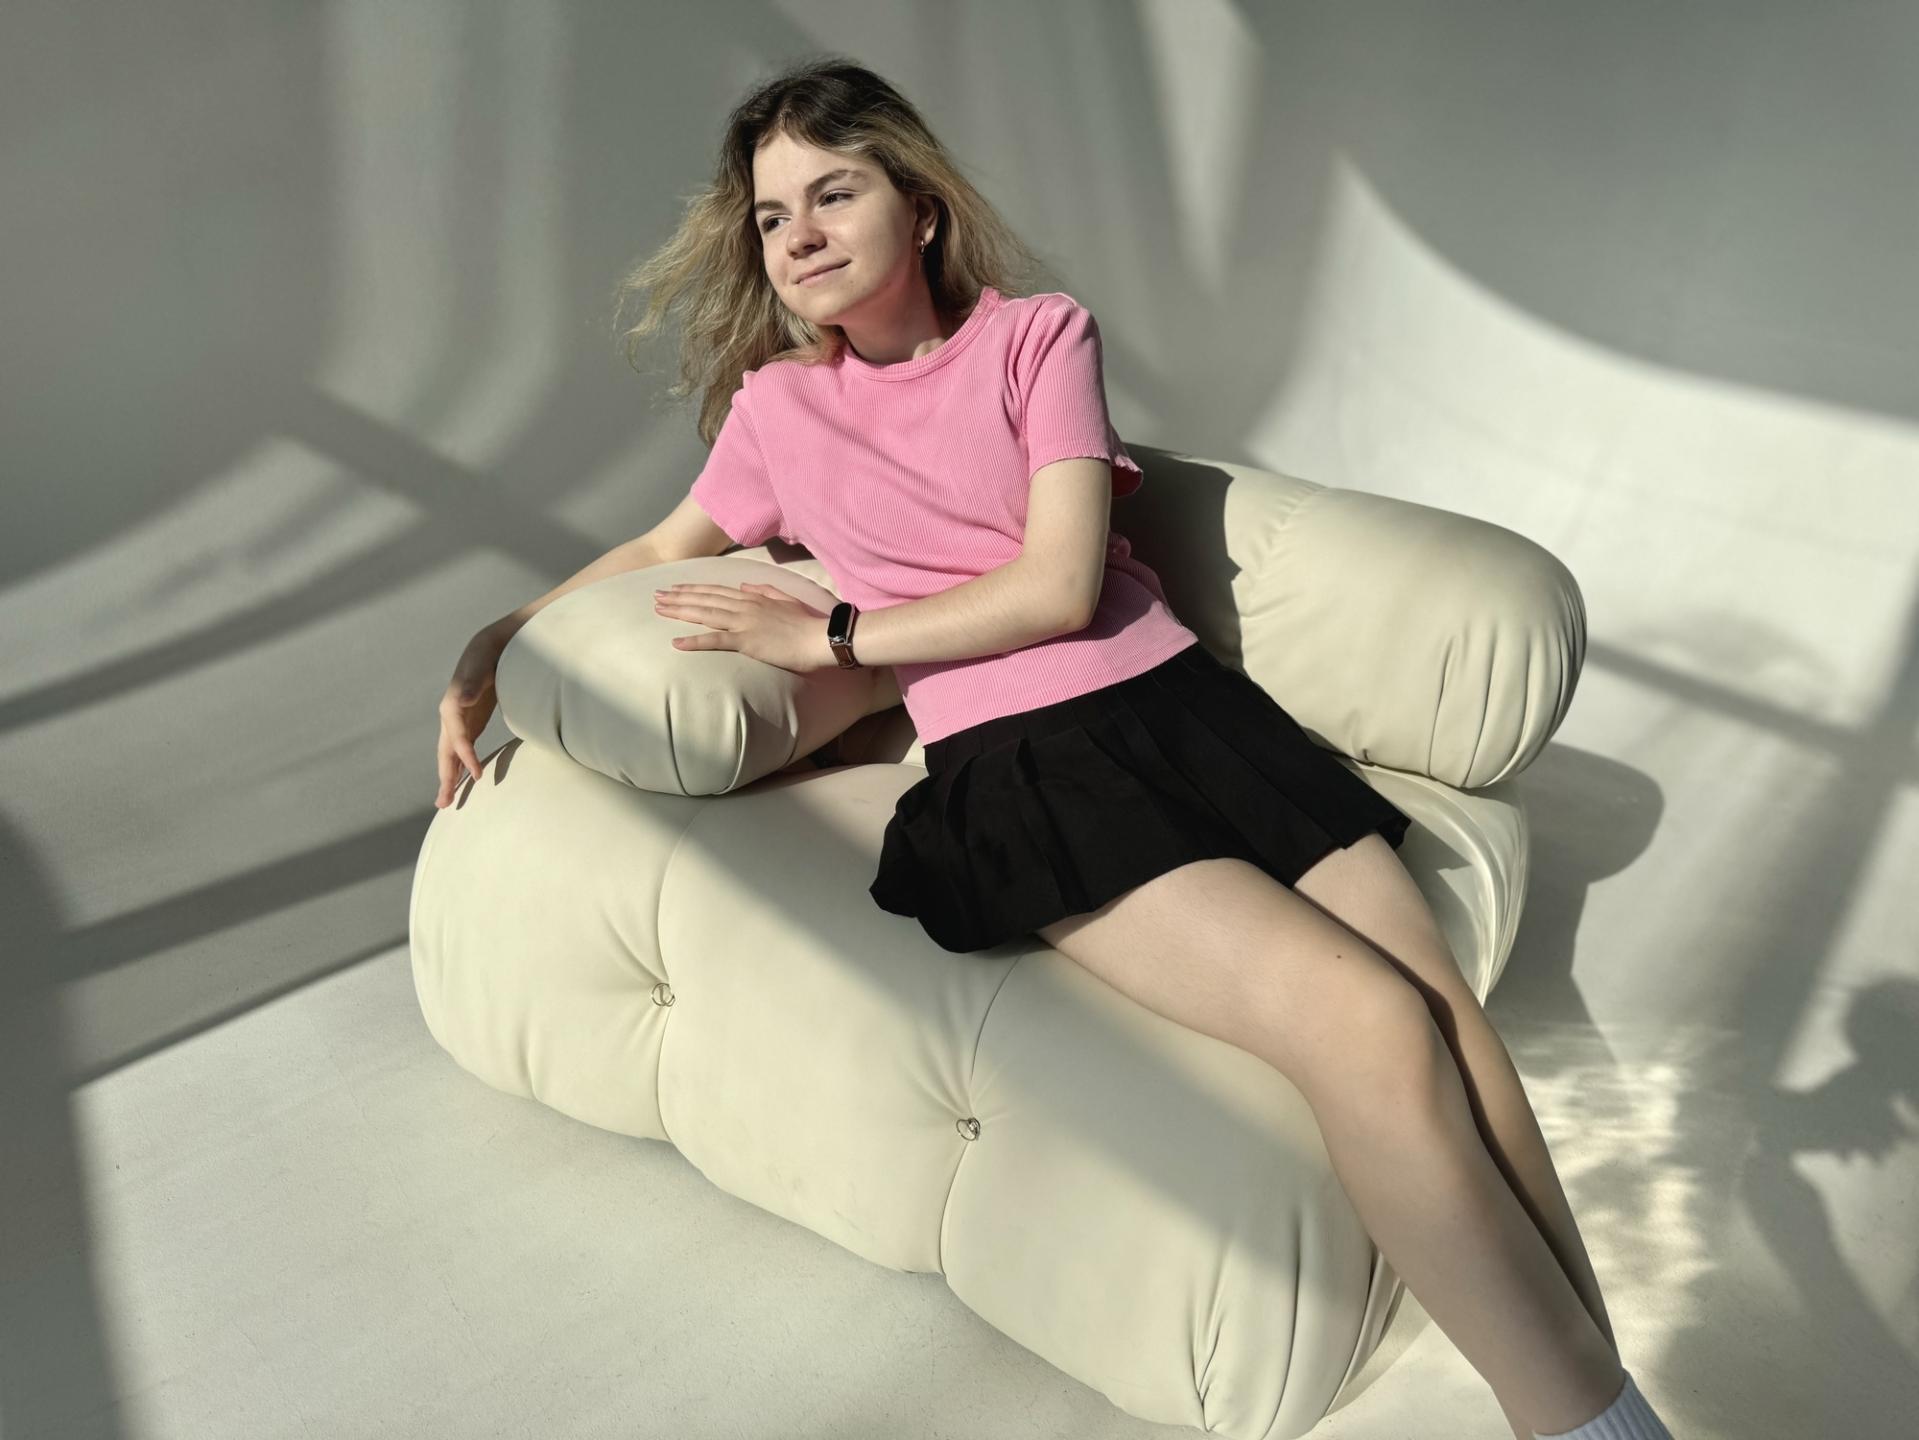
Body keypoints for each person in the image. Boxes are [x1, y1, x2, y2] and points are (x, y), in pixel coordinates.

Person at [435, 55, 1674, 1440]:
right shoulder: (779, 412)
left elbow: (1062, 586)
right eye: (773, 216)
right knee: (1368, 1024)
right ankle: (1589, 1424)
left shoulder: (1037, 340)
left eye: (833, 193)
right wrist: (498, 642)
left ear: (917, 205)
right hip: (1029, 766)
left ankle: (1604, 1400)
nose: (799, 236)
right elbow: (661, 551)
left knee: (1442, 1005)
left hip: (1190, 712)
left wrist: (838, 635)